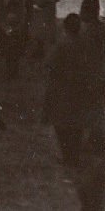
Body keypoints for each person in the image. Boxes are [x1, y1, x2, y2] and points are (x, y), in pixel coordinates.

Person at [45, 13, 92, 168]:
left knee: (63, 123)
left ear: (65, 27)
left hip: (63, 88)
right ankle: (74, 156)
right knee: (77, 123)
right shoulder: (84, 44)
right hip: (80, 88)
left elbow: (50, 64)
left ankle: (67, 156)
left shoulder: (62, 44)